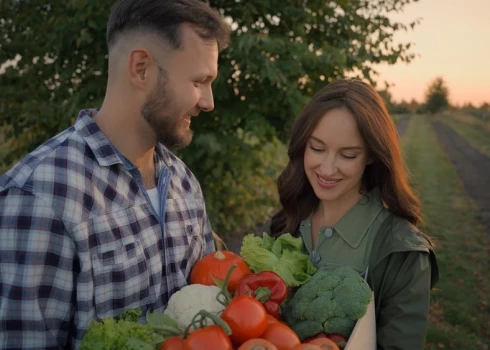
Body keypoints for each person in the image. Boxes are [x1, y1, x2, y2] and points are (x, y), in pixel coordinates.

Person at [0, 0, 231, 348]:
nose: (208, 102)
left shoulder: (184, 184)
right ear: (141, 68)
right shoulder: (40, 195)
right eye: (199, 81)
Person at [265, 79, 439, 349]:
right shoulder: (282, 224)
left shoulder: (403, 254)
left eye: (347, 155)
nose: (327, 168)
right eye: (317, 148)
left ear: (371, 155)